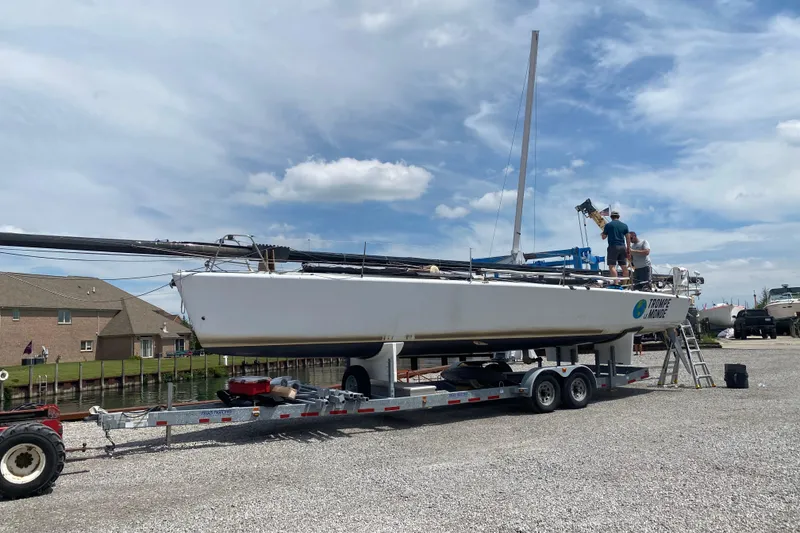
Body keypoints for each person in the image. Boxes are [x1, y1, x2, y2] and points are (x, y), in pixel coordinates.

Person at [601, 210, 630, 279]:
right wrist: (628, 248)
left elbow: (603, 237)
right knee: (624, 266)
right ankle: (625, 283)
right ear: (618, 217)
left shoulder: (608, 225)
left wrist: (602, 234)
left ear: (611, 217)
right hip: (622, 247)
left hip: (613, 247)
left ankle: (616, 283)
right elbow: (628, 237)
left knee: (612, 266)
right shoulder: (624, 226)